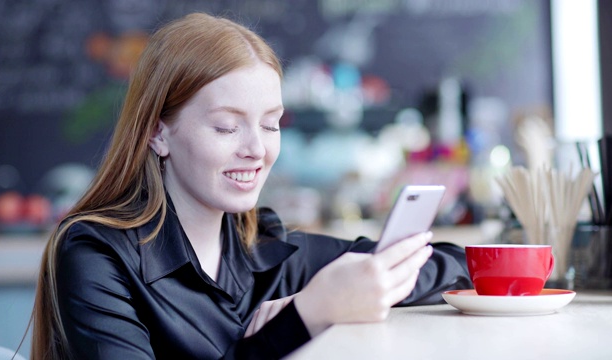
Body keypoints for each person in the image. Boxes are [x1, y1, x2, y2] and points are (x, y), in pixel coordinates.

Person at [28, 12, 471, 360]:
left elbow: (442, 265)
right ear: (158, 133)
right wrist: (308, 314)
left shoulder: (264, 247)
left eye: (271, 125)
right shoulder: (96, 254)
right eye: (226, 127)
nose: (257, 150)